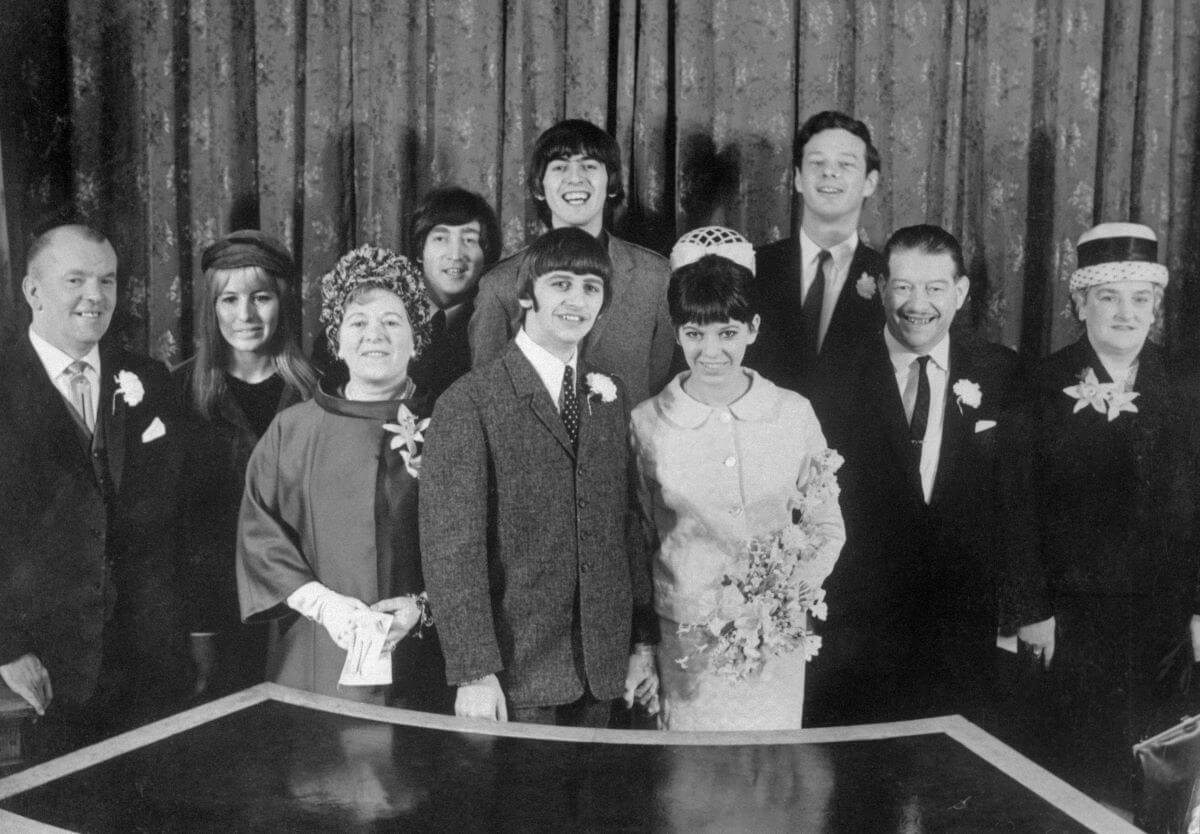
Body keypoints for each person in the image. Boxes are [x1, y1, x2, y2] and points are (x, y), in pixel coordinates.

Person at [998, 222, 1200, 812]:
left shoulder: (1188, 386)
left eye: (1141, 299)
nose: (1124, 313)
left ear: (1157, 307)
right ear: (1080, 301)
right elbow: (1016, 507)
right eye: (1108, 297)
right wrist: (1030, 613)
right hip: (1071, 622)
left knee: (1159, 779)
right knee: (1076, 777)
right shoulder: (1038, 384)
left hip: (1165, 624)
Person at [421, 227, 658, 727]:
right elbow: (452, 552)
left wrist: (641, 642)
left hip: (605, 672)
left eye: (591, 288)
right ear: (526, 294)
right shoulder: (469, 402)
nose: (577, 300)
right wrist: (474, 673)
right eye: (561, 284)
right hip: (517, 676)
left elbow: (626, 527)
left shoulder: (608, 394)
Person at [630, 226, 845, 730]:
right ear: (677, 332)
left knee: (769, 789)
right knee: (692, 795)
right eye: (695, 333)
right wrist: (643, 644)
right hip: (686, 644)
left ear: (753, 328)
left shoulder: (793, 414)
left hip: (777, 641)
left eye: (727, 333)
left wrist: (783, 599)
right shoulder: (646, 423)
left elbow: (827, 527)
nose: (711, 351)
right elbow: (636, 540)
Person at [811, 224, 1022, 727]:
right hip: (860, 631)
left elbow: (1019, 501)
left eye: (935, 288)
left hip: (964, 629)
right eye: (903, 286)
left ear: (962, 292)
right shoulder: (833, 375)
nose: (917, 303)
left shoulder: (1003, 374)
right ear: (881, 287)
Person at [0, 221, 192, 755]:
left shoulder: (149, 379)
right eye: (76, 281)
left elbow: (178, 521)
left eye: (106, 281)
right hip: (44, 675)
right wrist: (5, 648)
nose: (95, 297)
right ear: (33, 291)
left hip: (151, 668)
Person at [237, 244, 451, 711]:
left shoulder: (453, 427)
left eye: (392, 322)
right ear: (336, 340)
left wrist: (424, 609)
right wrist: (323, 605)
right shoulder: (292, 431)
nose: (374, 335)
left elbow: (485, 546)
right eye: (358, 323)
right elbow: (260, 535)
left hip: (426, 663)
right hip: (316, 662)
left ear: (416, 339)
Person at [173, 230, 317, 699]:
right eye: (229, 299)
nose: (245, 316)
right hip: (213, 615)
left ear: (283, 301)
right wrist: (197, 629)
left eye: (261, 297)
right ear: (211, 308)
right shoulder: (176, 392)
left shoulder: (318, 389)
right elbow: (173, 525)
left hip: (301, 612)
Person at [468, 118, 674, 406]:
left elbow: (658, 380)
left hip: (626, 446)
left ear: (611, 183)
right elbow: (487, 397)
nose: (575, 178)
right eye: (560, 166)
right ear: (539, 188)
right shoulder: (500, 285)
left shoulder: (655, 276)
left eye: (590, 165)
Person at [748, 110, 886, 401]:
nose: (829, 173)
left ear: (870, 182)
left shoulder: (890, 278)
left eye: (846, 164)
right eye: (817, 162)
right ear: (798, 179)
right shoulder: (750, 268)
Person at [406, 186, 501, 404]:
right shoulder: (387, 309)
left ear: (486, 254)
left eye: (469, 240)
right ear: (420, 250)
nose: (456, 254)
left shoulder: (495, 323)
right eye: (441, 239)